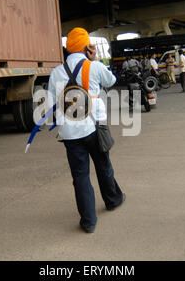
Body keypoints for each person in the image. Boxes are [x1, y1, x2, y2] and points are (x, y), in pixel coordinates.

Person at [48, 27, 125, 234]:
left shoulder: (56, 72)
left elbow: (50, 103)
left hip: (70, 133)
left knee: (80, 176)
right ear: (85, 46)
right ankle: (113, 200)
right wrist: (94, 58)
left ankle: (89, 221)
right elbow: (112, 81)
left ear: (68, 48)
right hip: (94, 126)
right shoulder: (94, 66)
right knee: (103, 165)